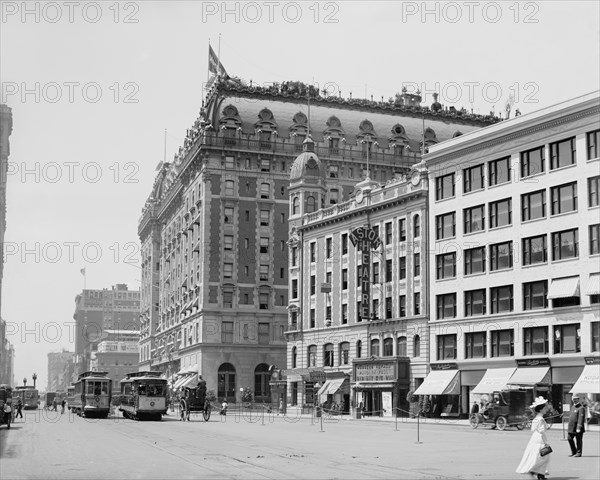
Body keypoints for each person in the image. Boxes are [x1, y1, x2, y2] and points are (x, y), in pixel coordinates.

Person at [516, 396, 551, 480]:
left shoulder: (536, 418)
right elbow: (541, 430)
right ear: (540, 409)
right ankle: (535, 471)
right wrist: (547, 427)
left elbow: (532, 429)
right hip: (540, 438)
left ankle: (540, 474)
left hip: (535, 437)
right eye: (544, 408)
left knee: (538, 455)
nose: (546, 409)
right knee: (544, 456)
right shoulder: (540, 419)